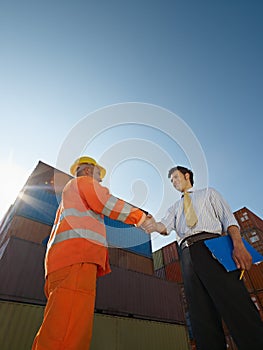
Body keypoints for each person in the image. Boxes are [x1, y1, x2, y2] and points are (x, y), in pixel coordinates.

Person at [32, 156, 151, 350]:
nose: (101, 181)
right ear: (87, 171)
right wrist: (141, 218)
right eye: (98, 175)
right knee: (69, 333)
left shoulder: (69, 197)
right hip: (76, 261)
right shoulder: (83, 182)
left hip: (63, 264)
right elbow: (106, 202)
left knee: (56, 329)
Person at [142, 166, 263, 350]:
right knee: (202, 319)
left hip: (212, 248)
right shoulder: (174, 208)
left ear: (187, 175)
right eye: (171, 181)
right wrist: (151, 225)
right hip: (186, 256)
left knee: (237, 307)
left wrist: (238, 246)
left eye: (175, 177)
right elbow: (163, 227)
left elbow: (229, 220)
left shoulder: (209, 193)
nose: (174, 182)